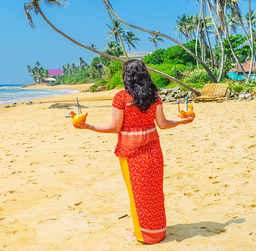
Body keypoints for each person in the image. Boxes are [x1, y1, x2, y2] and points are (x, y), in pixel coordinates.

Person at [73, 59, 194, 244]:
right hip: (153, 152)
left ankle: (144, 236)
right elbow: (162, 124)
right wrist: (182, 121)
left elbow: (115, 127)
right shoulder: (154, 96)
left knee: (137, 196)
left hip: (131, 155)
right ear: (144, 74)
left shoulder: (121, 97)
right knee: (154, 193)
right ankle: (158, 232)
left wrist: (88, 126)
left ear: (126, 77)